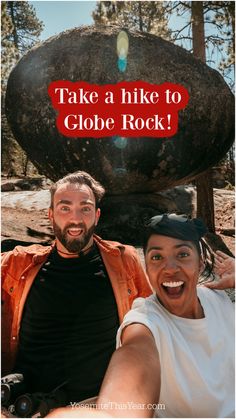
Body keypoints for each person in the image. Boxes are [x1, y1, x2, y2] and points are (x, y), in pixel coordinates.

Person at [47, 214, 235, 419]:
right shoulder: (144, 323)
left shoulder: (219, 299)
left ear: (200, 264)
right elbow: (134, 358)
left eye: (182, 254)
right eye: (156, 257)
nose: (170, 268)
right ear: (147, 268)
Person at [1, 171, 152, 414]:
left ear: (97, 215)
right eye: (64, 208)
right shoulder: (17, 264)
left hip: (95, 406)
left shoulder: (124, 261)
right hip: (20, 404)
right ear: (50, 214)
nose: (76, 219)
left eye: (85, 208)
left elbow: (154, 321)